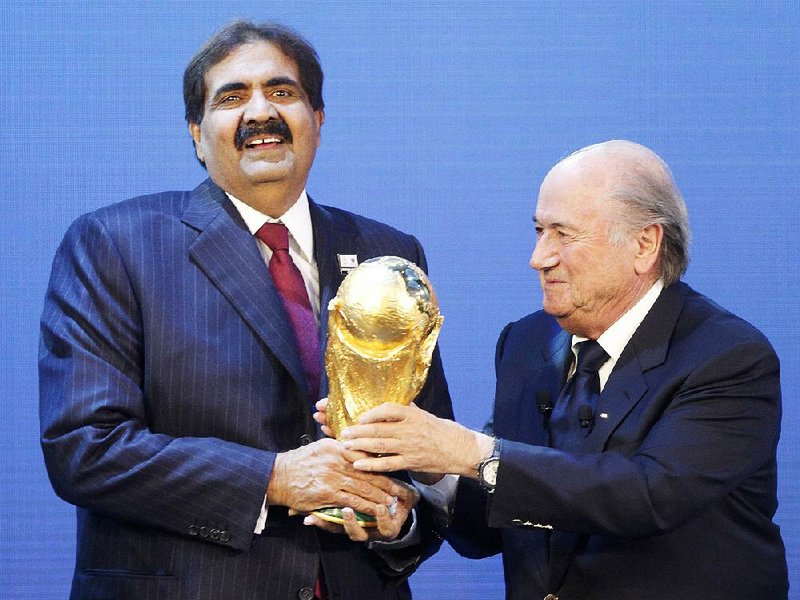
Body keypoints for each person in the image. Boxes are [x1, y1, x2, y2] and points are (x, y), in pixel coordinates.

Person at [39, 20, 452, 600]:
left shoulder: (391, 254)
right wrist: (274, 480)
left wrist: (399, 519)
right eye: (231, 98)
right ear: (196, 134)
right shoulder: (116, 244)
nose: (260, 112)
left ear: (318, 119)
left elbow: (424, 453)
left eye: (282, 92)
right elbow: (85, 448)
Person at [335, 140, 789, 599]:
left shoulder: (727, 357)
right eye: (538, 231)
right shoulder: (527, 343)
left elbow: (649, 496)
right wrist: (430, 470)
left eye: (562, 234)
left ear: (644, 244)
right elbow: (494, 524)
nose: (539, 258)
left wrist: (468, 451)